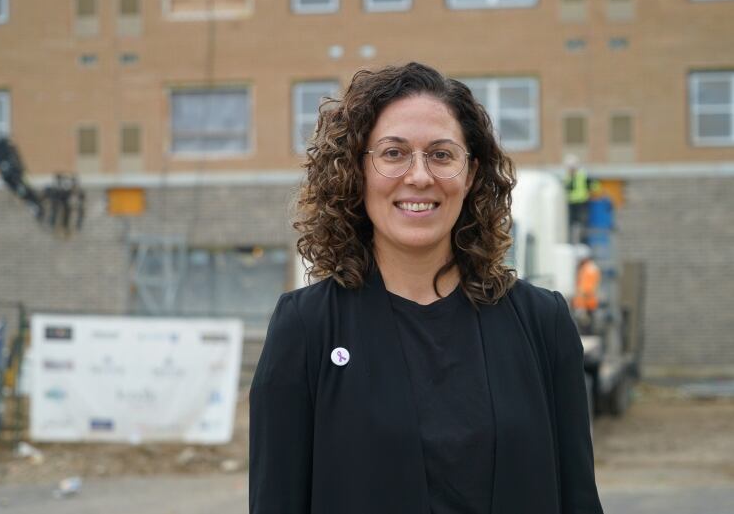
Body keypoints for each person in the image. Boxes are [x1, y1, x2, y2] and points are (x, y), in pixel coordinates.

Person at [249, 63, 603, 514]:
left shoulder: (542, 322)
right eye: (394, 154)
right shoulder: (305, 329)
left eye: (441, 154)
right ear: (357, 171)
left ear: (472, 173)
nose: (419, 176)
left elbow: (578, 500)